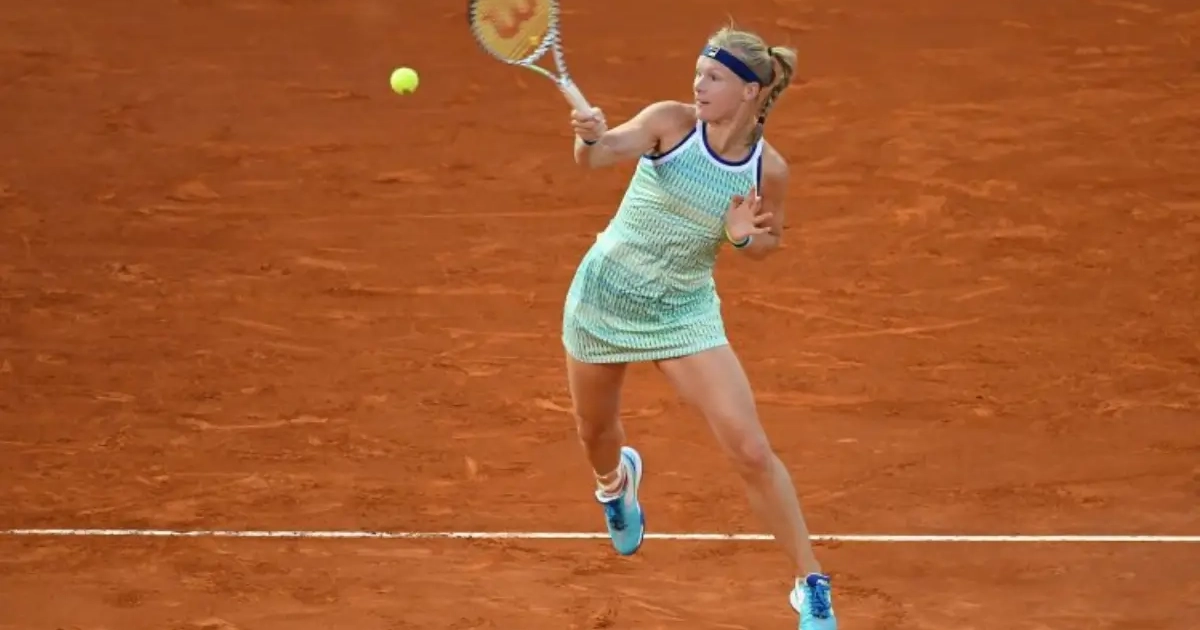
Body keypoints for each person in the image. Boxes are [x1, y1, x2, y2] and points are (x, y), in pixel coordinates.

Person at [560, 22, 838, 630]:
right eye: (697, 74)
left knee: (751, 449)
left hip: (682, 312)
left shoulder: (768, 170)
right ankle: (615, 485)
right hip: (603, 299)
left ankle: (810, 581)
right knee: (595, 431)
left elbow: (767, 242)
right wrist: (589, 138)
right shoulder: (670, 122)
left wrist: (741, 239)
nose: (698, 85)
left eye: (713, 77)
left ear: (749, 92)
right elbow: (600, 155)